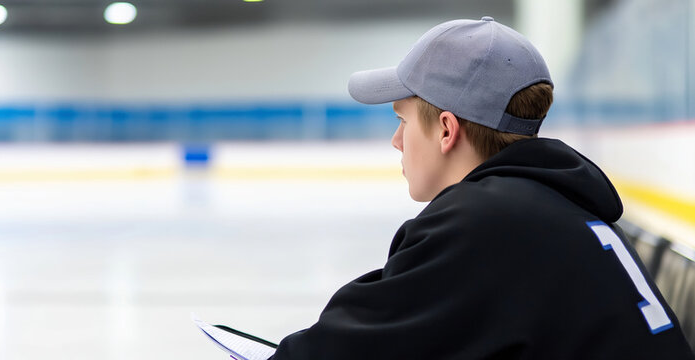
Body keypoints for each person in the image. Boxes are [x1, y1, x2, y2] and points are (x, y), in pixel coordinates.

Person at [267, 17, 695, 359]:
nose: (396, 141)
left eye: (402, 121)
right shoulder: (564, 208)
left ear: (447, 130)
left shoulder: (482, 223)